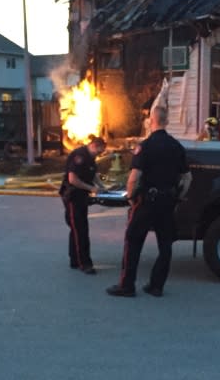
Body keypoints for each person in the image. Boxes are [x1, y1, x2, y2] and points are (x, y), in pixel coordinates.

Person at [106, 107, 192, 297]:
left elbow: (134, 176)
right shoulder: (176, 146)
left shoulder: (145, 146)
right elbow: (187, 178)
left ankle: (127, 286)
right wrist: (177, 197)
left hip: (146, 202)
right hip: (167, 202)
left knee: (133, 241)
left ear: (150, 121)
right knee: (165, 245)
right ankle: (156, 286)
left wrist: (130, 196)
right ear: (166, 122)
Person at [59, 135, 107, 274]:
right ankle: (84, 263)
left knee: (77, 228)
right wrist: (91, 188)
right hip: (73, 196)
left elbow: (93, 173)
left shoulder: (90, 157)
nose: (100, 154)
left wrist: (102, 187)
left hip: (81, 197)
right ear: (94, 146)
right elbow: (73, 179)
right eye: (99, 151)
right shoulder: (79, 156)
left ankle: (74, 260)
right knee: (80, 230)